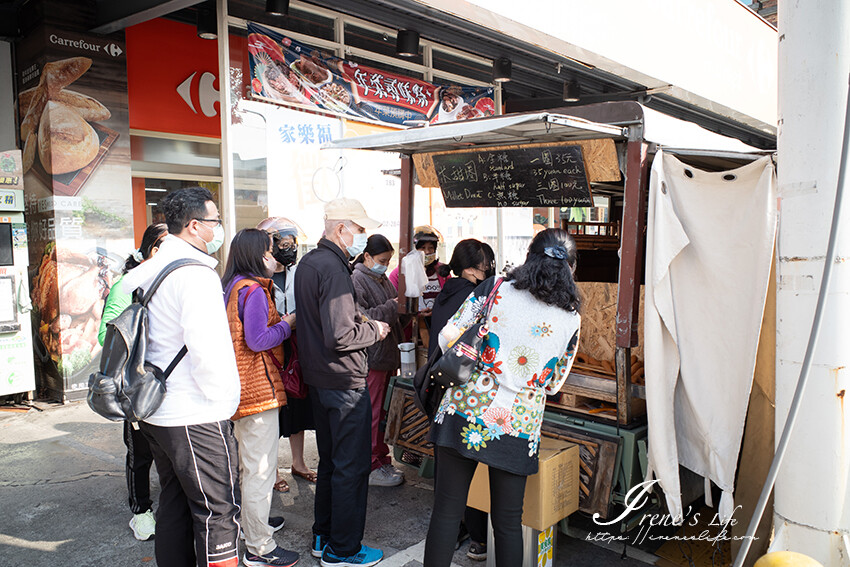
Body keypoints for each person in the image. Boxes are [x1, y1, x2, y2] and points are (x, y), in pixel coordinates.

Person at [423, 229, 582, 567]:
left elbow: (448, 336)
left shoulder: (495, 288)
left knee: (446, 514)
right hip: (517, 424)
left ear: (529, 256)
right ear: (570, 267)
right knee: (508, 524)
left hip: (463, 411)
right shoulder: (570, 319)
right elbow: (553, 384)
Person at [120, 187, 242, 567]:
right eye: (215, 221)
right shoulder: (195, 274)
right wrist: (225, 401)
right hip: (195, 412)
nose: (218, 228)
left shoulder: (145, 270)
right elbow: (206, 349)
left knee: (174, 503)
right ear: (194, 226)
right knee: (218, 511)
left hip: (155, 409)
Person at [294, 198, 390, 567]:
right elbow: (341, 334)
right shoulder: (333, 269)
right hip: (343, 380)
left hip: (319, 378)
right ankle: (343, 549)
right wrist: (375, 329)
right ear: (340, 229)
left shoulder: (310, 263)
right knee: (352, 465)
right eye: (359, 229)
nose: (362, 238)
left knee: (333, 461)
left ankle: (324, 535)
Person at [222, 229, 299, 567]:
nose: (274, 257)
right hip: (257, 391)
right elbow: (257, 339)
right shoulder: (252, 291)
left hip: (240, 389)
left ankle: (253, 525)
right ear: (257, 254)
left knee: (248, 465)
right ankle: (259, 547)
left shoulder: (233, 284)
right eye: (270, 251)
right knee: (260, 469)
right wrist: (287, 324)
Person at [97, 222, 168, 542]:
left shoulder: (172, 281)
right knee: (140, 454)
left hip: (171, 386)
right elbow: (106, 334)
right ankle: (141, 511)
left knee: (171, 452)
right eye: (164, 247)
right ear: (151, 251)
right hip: (137, 385)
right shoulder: (126, 285)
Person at [427, 238, 495, 560]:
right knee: (472, 463)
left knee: (448, 468)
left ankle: (458, 530)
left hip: (439, 387)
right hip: (462, 390)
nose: (490, 272)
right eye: (486, 266)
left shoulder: (447, 290)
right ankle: (478, 536)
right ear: (471, 268)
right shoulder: (471, 296)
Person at [257, 217, 317, 493]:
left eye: (291, 243)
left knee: (297, 406)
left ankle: (298, 463)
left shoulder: (298, 271)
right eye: (282, 243)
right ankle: (271, 470)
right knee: (272, 412)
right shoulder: (260, 274)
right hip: (270, 348)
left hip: (296, 345)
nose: (288, 248)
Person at [350, 234, 405, 487]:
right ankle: (372, 464)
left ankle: (381, 458)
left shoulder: (381, 278)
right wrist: (394, 306)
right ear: (367, 257)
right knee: (373, 413)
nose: (386, 264)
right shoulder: (357, 279)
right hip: (373, 357)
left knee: (383, 412)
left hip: (387, 354)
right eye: (382, 260)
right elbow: (363, 317)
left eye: (389, 260)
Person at [388, 226, 447, 314]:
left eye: (431, 248)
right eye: (422, 248)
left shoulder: (443, 271)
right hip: (411, 324)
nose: (427, 252)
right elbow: (394, 305)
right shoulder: (398, 274)